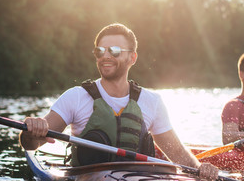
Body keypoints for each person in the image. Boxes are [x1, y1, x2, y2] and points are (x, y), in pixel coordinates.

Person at [19, 23, 219, 179]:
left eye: (114, 51)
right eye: (100, 51)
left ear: (132, 58)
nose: (105, 56)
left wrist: (201, 169)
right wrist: (33, 129)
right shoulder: (76, 97)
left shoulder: (152, 102)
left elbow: (179, 156)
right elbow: (30, 143)